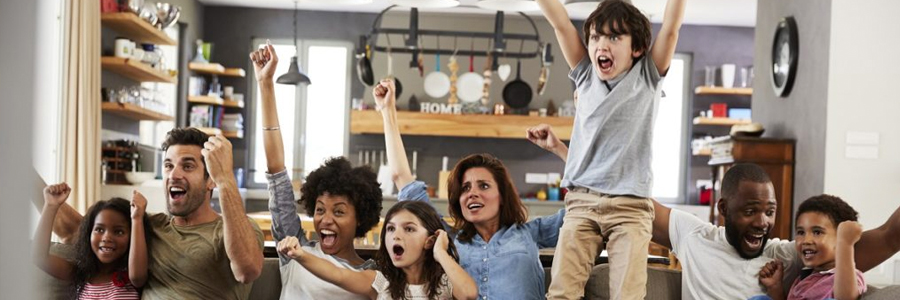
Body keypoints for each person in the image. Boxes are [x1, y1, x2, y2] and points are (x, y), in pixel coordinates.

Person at [532, 127, 900, 299]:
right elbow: (627, 199)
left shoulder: (786, 255)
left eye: (769, 212)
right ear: (723, 210)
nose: (762, 222)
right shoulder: (694, 235)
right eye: (750, 211)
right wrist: (565, 151)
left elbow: (888, 236)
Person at [532, 0, 686, 298]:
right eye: (595, 37)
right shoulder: (585, 76)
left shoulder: (647, 76)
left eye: (615, 37)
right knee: (561, 293)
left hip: (630, 208)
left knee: (628, 295)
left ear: (637, 48)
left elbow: (671, 29)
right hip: (581, 204)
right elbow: (561, 23)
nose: (602, 44)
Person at [373, 77, 566, 299]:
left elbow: (585, 206)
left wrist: (559, 149)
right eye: (465, 188)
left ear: (502, 196)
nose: (472, 193)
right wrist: (387, 111)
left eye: (483, 185)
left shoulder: (530, 233)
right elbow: (401, 177)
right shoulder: (449, 239)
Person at [54, 127, 265, 300]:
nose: (174, 174)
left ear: (210, 180)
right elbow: (77, 230)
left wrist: (226, 178)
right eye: (168, 165)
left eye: (188, 166)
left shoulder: (236, 230)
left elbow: (247, 270)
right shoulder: (148, 226)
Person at [250, 42, 384, 299]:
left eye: (340, 211)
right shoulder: (295, 248)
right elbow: (276, 171)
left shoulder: (371, 276)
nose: (326, 219)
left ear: (360, 219)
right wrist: (265, 83)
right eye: (320, 209)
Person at [277, 201, 477, 300]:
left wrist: (441, 252)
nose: (396, 236)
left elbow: (468, 294)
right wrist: (301, 255)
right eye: (390, 229)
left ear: (429, 241)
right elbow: (337, 274)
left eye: (409, 229)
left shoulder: (445, 284)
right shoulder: (381, 283)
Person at [33, 183, 147, 299]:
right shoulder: (80, 274)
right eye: (99, 229)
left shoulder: (132, 275)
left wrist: (137, 218)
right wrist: (50, 206)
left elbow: (137, 277)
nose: (106, 237)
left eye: (119, 232)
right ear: (89, 234)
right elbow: (39, 257)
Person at [757, 195, 866, 300]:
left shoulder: (850, 277)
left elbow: (846, 298)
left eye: (817, 232)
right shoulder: (804, 278)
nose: (806, 240)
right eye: (801, 232)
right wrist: (775, 288)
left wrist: (846, 243)